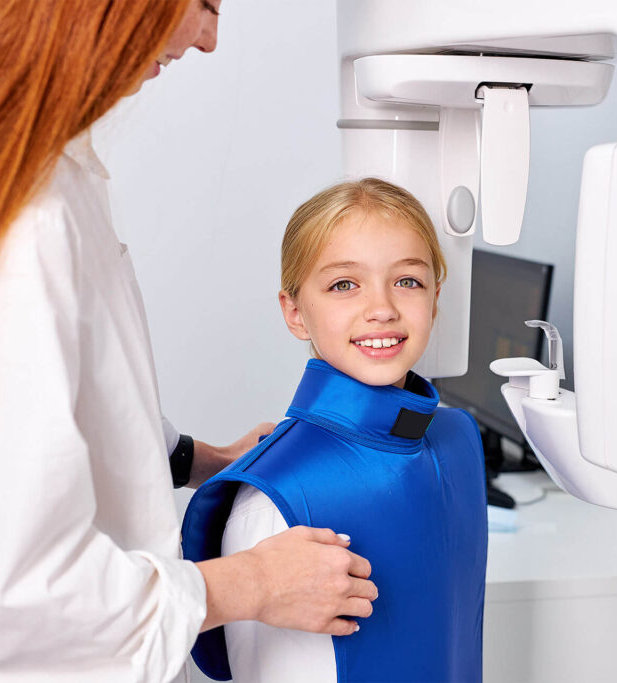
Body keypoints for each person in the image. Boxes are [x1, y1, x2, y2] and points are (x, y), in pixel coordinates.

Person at [0, 2, 376, 681]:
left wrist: (202, 457)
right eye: (203, 4)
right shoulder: (28, 222)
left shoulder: (54, 174)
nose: (209, 39)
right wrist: (253, 581)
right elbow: (14, 605)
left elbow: (54, 416)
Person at [181, 178, 489, 682]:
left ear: (435, 298)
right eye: (344, 284)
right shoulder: (276, 502)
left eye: (407, 280)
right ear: (296, 312)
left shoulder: (457, 440)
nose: (382, 307)